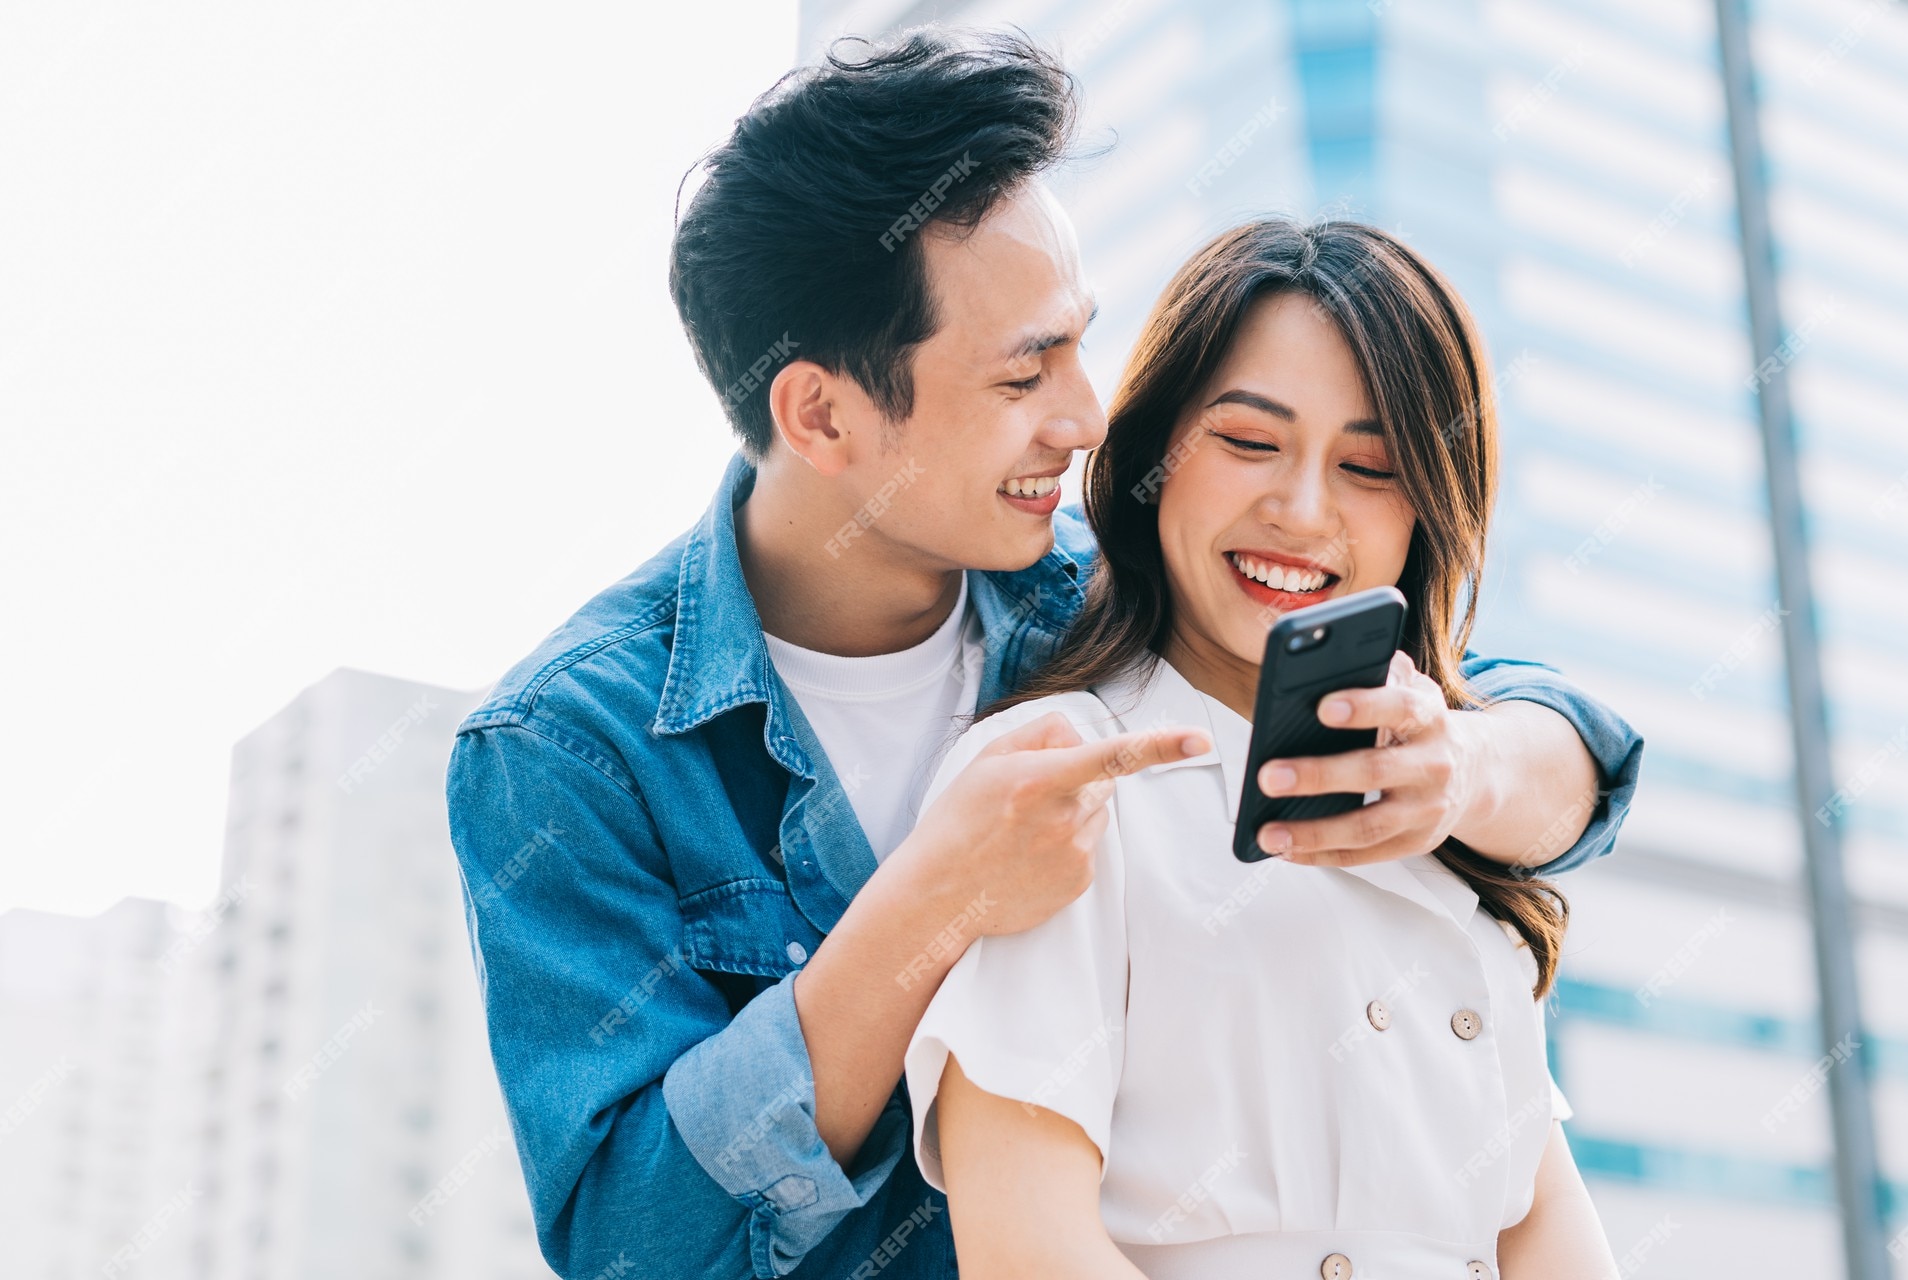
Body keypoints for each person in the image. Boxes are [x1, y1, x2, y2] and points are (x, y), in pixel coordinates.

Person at [443, 30, 1644, 1280]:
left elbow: (1555, 736)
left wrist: (1468, 767)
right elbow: (631, 1240)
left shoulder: (1113, 583)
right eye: (1025, 373)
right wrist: (933, 899)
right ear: (821, 413)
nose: (1084, 417)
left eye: (1077, 341)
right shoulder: (565, 748)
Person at [904, 219, 1629, 1278]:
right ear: (1154, 454)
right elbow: (1026, 1245)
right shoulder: (1050, 775)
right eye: (1248, 442)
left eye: (1369, 465)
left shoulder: (1430, 796)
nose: (1300, 509)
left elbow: (1538, 1216)